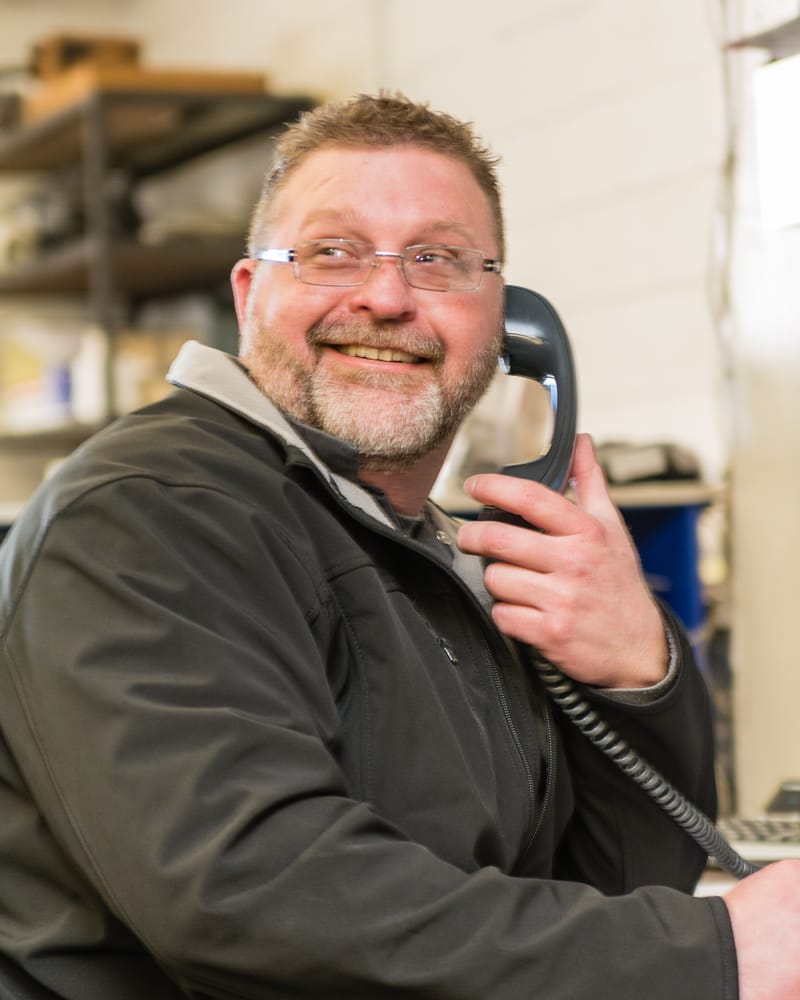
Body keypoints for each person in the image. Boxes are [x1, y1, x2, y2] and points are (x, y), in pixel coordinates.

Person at [0, 92, 797, 1000]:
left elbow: (603, 892)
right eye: (332, 253)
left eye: (436, 260)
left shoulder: (425, 556)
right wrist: (715, 953)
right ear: (250, 294)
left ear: (506, 322)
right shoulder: (149, 516)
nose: (384, 297)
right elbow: (255, 900)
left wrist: (635, 676)